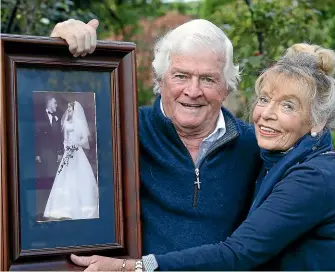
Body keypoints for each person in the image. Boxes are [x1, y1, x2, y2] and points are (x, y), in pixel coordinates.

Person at [116, 44, 335, 270]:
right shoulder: (275, 157)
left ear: (318, 120)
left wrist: (135, 267)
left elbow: (238, 253)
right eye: (264, 100)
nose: (267, 114)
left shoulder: (312, 177)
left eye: (288, 106)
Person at [50, 18, 262, 270]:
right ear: (160, 81)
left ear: (227, 88)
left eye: (208, 79)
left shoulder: (254, 145)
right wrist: (55, 48)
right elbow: (49, 109)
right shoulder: (122, 130)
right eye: (181, 76)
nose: (193, 91)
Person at [44, 101, 99, 220]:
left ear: (75, 110)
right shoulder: (65, 122)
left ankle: (81, 207)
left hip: (77, 151)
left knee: (78, 177)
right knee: (65, 176)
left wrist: (76, 144)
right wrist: (66, 148)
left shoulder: (79, 122)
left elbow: (84, 139)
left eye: (70, 108)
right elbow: (65, 139)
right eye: (68, 108)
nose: (68, 110)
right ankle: (63, 208)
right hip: (68, 152)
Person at [34, 95, 63, 221]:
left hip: (54, 153)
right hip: (44, 153)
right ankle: (42, 210)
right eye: (55, 103)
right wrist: (37, 154)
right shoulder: (40, 117)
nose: (56, 105)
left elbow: (58, 138)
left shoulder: (57, 117)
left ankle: (51, 208)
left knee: (53, 180)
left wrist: (59, 152)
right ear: (49, 103)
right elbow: (36, 136)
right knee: (44, 180)